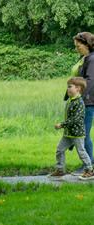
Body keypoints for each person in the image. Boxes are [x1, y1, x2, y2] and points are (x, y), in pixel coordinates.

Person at [50, 77, 94, 180]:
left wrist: (62, 124)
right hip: (69, 133)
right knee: (60, 150)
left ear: (78, 88)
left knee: (81, 152)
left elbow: (75, 119)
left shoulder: (79, 102)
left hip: (77, 134)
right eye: (67, 87)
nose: (68, 89)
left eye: (70, 87)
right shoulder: (71, 100)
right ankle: (60, 170)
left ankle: (90, 170)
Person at [70, 32, 94, 175]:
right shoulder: (85, 58)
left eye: (78, 45)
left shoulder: (92, 59)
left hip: (88, 101)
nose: (76, 48)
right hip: (82, 100)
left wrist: (80, 97)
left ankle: (89, 166)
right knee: (82, 133)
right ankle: (88, 164)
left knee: (83, 134)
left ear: (86, 44)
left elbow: (90, 81)